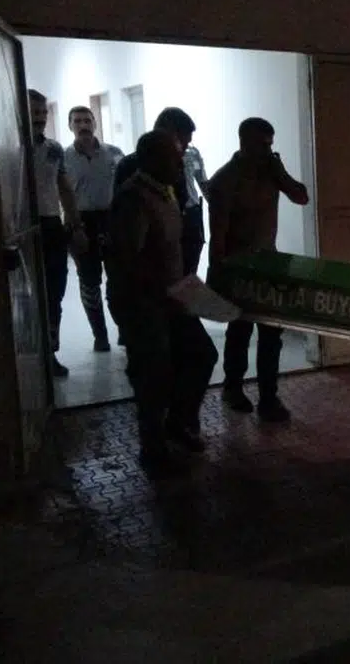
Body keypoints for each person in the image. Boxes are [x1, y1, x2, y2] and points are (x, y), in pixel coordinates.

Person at [109, 130, 218, 474]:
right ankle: (152, 450)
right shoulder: (134, 199)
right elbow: (127, 261)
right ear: (152, 160)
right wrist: (160, 295)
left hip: (172, 296)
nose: (180, 162)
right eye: (174, 156)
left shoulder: (166, 191)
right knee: (153, 375)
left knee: (201, 355)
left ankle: (178, 422)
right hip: (143, 303)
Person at [208, 117, 309, 423]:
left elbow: (301, 197)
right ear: (244, 142)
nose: (267, 150)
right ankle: (233, 388)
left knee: (271, 333)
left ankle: (268, 396)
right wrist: (218, 275)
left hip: (267, 265)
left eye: (270, 144)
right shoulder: (224, 180)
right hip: (238, 268)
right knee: (239, 331)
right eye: (262, 144)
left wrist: (281, 172)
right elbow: (218, 234)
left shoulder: (271, 173)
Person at [28, 89, 86, 377]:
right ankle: (28, 357)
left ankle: (50, 353)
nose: (39, 118)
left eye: (42, 113)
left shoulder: (53, 149)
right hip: (23, 228)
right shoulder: (9, 147)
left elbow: (64, 188)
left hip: (51, 225)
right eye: (34, 113)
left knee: (54, 293)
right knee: (27, 295)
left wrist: (75, 225)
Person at [114, 107, 207, 277]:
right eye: (182, 145)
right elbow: (127, 248)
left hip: (181, 237)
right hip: (147, 271)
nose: (182, 154)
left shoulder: (175, 167)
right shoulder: (129, 171)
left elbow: (180, 200)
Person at [64, 106, 125, 351]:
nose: (83, 125)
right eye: (77, 121)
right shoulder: (64, 158)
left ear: (95, 124)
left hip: (110, 220)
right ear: (70, 126)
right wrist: (74, 226)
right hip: (80, 222)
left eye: (87, 120)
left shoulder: (114, 154)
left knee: (118, 278)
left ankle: (124, 328)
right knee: (89, 281)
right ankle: (100, 335)